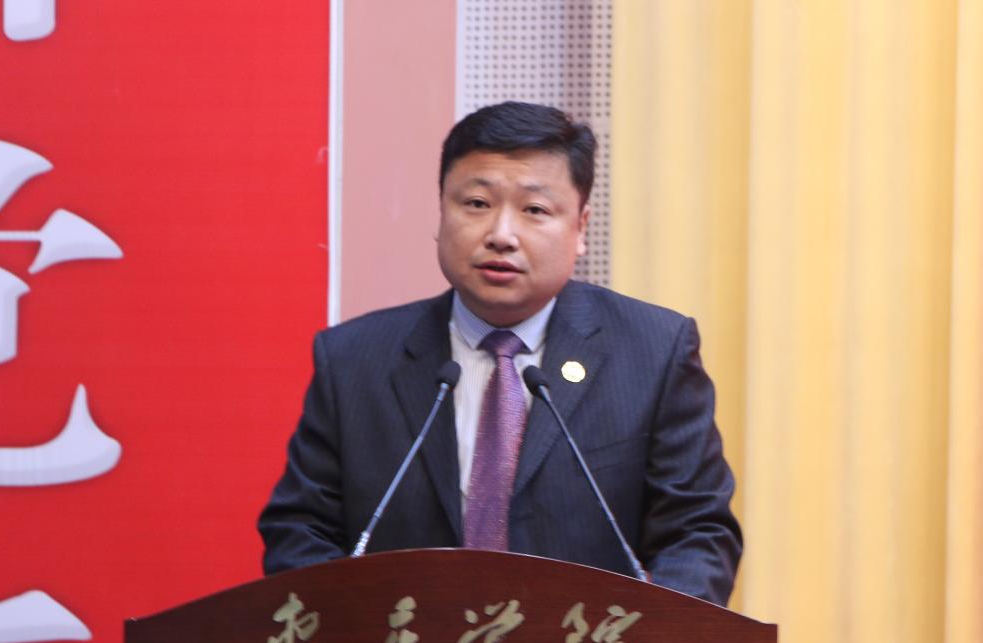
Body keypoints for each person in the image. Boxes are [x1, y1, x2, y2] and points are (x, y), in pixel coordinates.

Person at [258, 101, 742, 605]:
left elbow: (697, 534)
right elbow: (301, 531)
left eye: (534, 210)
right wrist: (351, 633)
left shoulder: (653, 351)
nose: (501, 235)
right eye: (476, 203)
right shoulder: (354, 360)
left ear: (580, 228)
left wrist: (653, 636)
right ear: (441, 211)